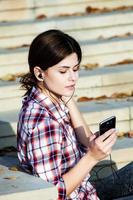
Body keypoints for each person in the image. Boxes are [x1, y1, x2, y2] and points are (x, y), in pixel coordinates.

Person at [17, 29, 133, 200]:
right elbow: (53, 194)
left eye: (76, 69)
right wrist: (92, 157)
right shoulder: (44, 123)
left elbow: (86, 142)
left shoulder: (50, 100)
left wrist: (68, 98)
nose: (73, 77)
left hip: (87, 192)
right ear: (39, 73)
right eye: (63, 71)